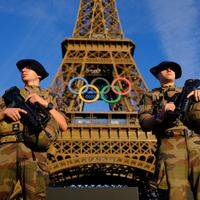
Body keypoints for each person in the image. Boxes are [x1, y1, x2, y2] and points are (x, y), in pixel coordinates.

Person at [0, 59, 67, 199]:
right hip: (6, 147)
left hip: (35, 150)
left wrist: (46, 104)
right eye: (22, 69)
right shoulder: (8, 96)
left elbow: (63, 125)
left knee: (35, 197)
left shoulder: (51, 97)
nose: (23, 70)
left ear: (39, 75)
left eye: (28, 68)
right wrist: (4, 112)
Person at [138, 61, 200, 200]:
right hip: (171, 143)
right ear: (157, 74)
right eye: (164, 68)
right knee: (176, 193)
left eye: (172, 68)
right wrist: (160, 114)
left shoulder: (190, 92)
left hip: (197, 141)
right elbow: (144, 122)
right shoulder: (150, 95)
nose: (169, 69)